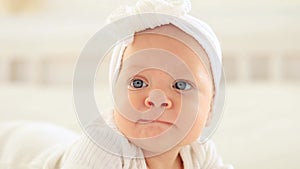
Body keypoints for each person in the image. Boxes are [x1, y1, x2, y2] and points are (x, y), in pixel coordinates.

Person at [0, 0, 233, 169]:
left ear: (211, 106)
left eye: (181, 85)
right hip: (17, 150)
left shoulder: (198, 152)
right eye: (139, 82)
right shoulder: (103, 150)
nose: (157, 99)